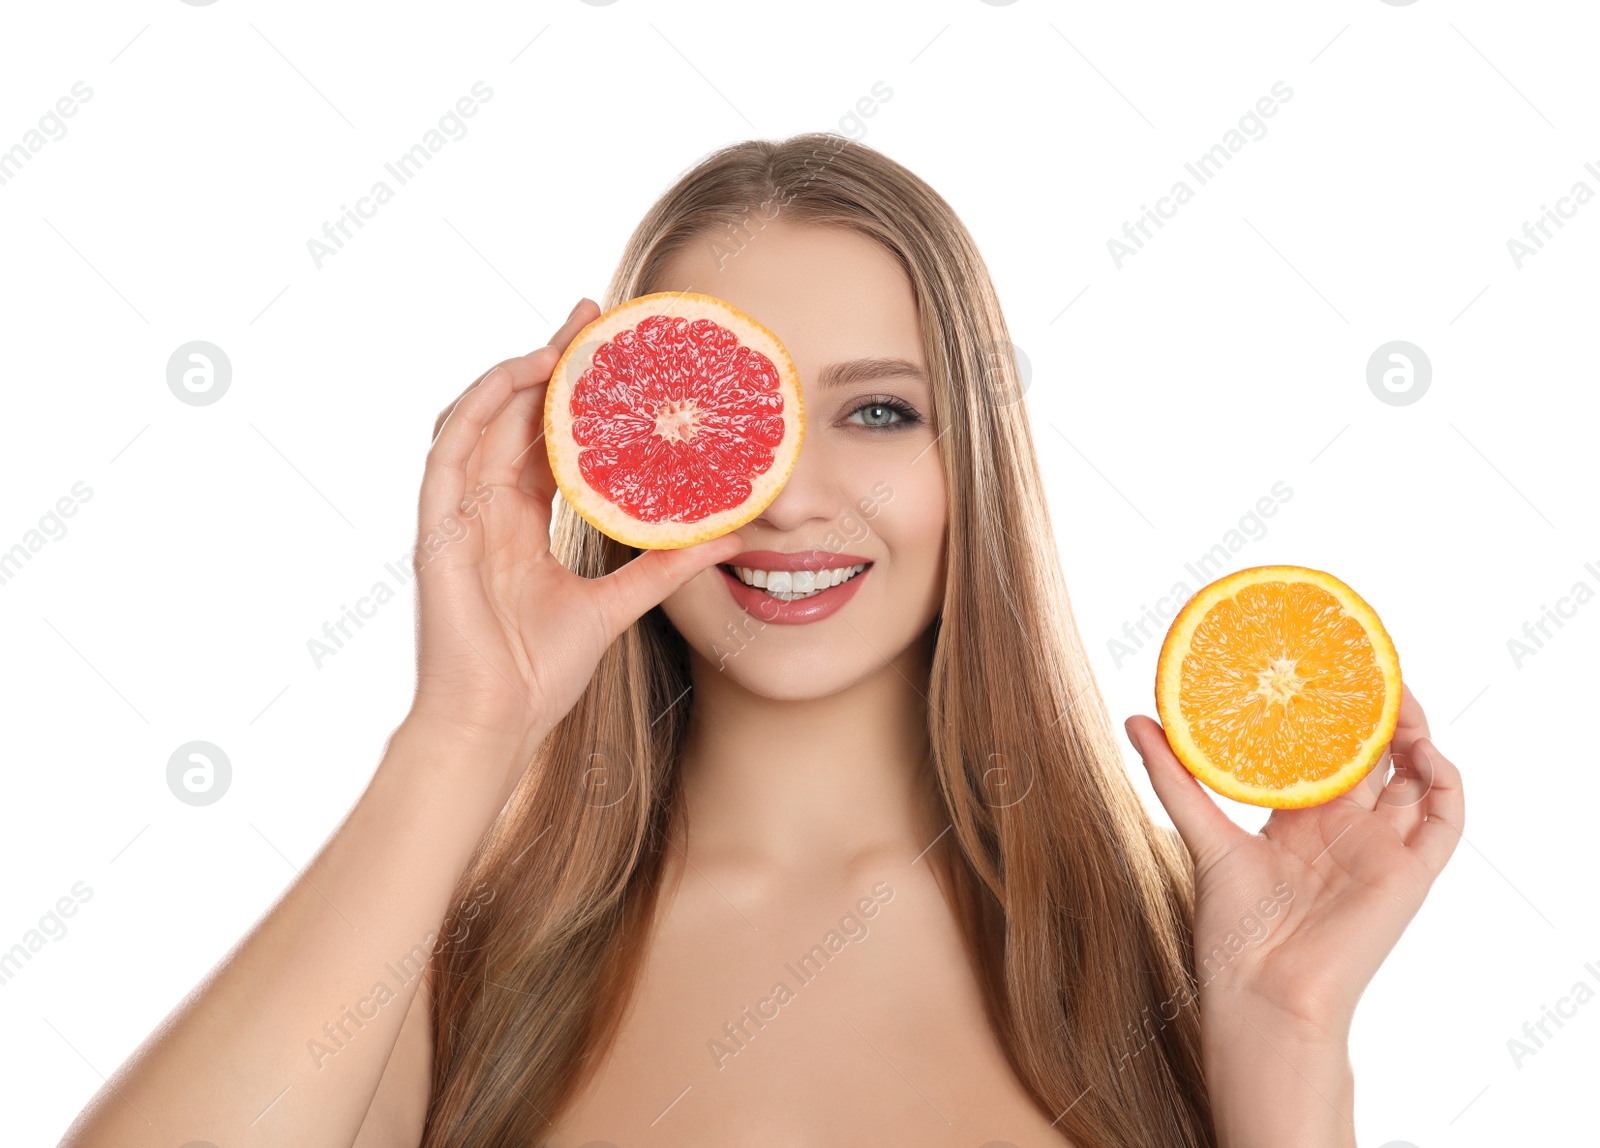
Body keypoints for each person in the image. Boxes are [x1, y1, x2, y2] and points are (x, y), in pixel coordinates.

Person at [61, 133, 1464, 1148]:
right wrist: (464, 729)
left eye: (874, 413)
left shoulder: (1179, 957)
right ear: (599, 454)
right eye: (719, 420)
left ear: (976, 461)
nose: (787, 496)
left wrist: (1284, 1047)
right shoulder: (442, 970)